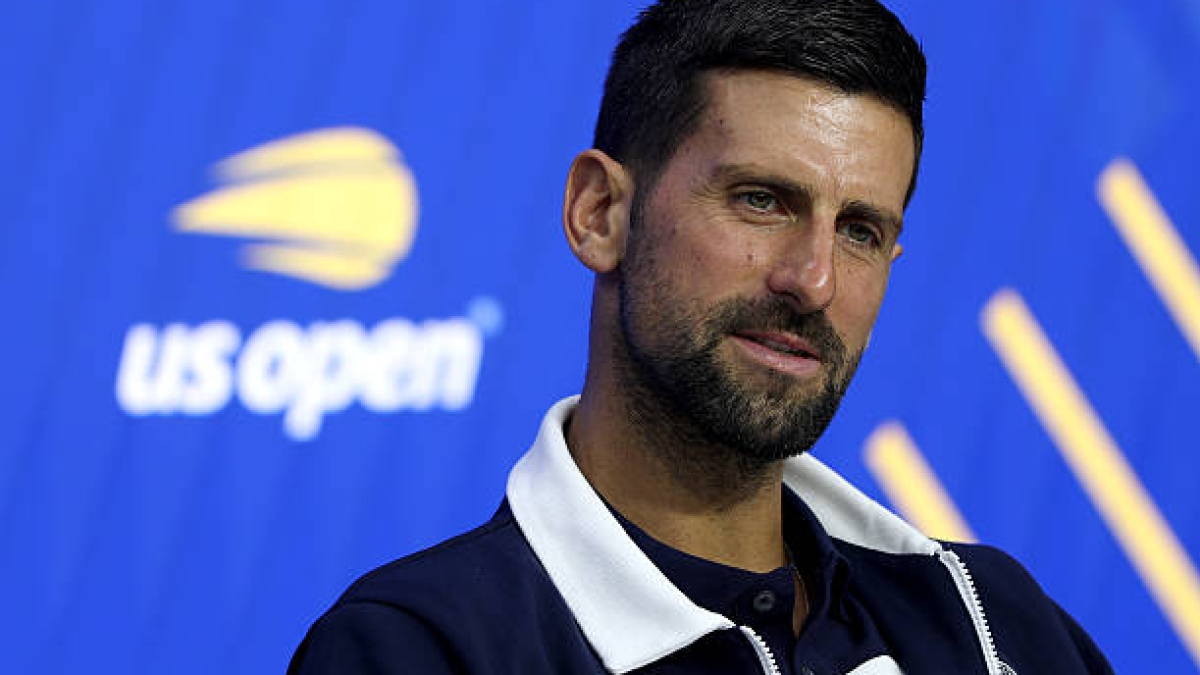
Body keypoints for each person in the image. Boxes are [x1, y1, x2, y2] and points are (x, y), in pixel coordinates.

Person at [288, 0, 1114, 673]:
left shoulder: (998, 628)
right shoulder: (417, 649)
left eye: (860, 229)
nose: (814, 280)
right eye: (762, 200)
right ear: (599, 213)